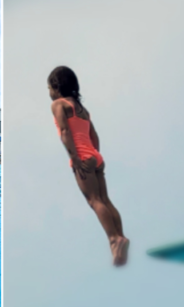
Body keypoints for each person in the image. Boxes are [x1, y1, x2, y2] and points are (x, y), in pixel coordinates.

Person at [48, 66, 129, 266]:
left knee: (94, 201)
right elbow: (94, 136)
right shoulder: (82, 109)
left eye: (49, 88)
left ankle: (113, 239)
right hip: (94, 155)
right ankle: (121, 236)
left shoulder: (59, 105)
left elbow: (65, 131)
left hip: (82, 157)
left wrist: (75, 157)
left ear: (57, 87)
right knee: (105, 199)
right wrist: (95, 157)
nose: (49, 92)